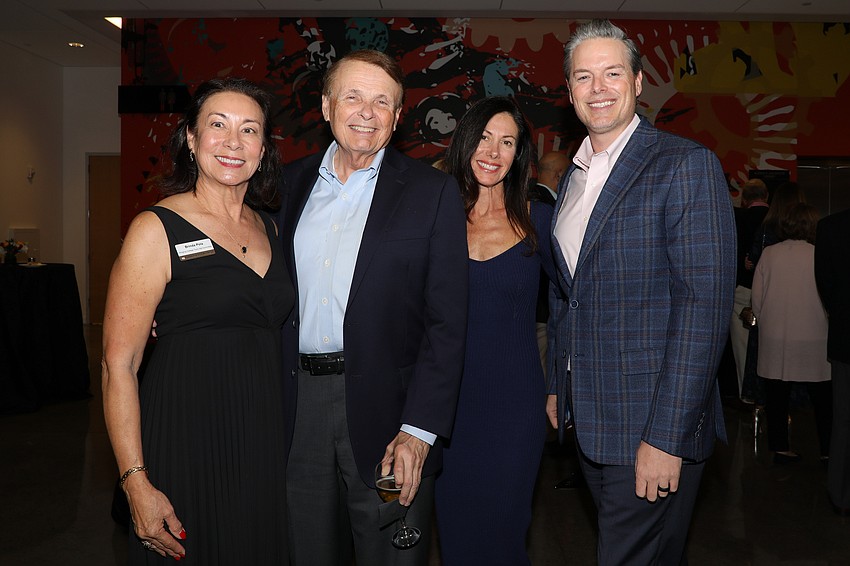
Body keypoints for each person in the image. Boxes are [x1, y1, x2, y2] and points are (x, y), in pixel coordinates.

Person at [546, 19, 736, 565]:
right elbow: (567, 294)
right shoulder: (573, 178)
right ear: (570, 91)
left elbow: (703, 308)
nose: (598, 88)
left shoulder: (684, 164)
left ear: (638, 81)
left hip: (652, 427)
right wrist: (562, 381)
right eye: (584, 77)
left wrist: (666, 437)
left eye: (612, 73)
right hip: (592, 422)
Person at [277, 49, 469, 566]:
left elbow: (447, 326)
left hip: (391, 418)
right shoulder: (283, 188)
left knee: (392, 556)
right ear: (325, 105)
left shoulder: (432, 193)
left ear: (398, 115)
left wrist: (418, 431)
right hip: (295, 412)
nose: (367, 110)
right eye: (353, 96)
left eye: (382, 101)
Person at [102, 77, 292, 564]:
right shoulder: (155, 229)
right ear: (190, 138)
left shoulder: (271, 225)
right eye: (218, 125)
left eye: (249, 130)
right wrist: (135, 481)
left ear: (263, 147)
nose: (234, 142)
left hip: (263, 443)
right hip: (186, 441)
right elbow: (117, 365)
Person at [434, 96, 556, 565]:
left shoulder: (538, 218)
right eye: (484, 137)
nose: (493, 151)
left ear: (519, 153)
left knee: (506, 529)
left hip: (515, 406)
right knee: (456, 531)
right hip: (447, 405)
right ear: (466, 141)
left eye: (507, 142)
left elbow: (570, 303)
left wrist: (559, 384)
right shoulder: (437, 217)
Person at [752, 203, 832, 464]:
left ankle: (780, 448)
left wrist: (767, 322)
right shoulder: (821, 253)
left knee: (777, 397)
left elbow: (757, 299)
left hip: (777, 337)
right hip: (815, 337)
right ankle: (827, 450)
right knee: (823, 400)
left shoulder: (769, 254)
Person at [815, 206, 850, 515]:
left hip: (845, 338)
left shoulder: (829, 227)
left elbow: (824, 284)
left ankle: (840, 493)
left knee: (843, 419)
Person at [730, 178, 769, 400]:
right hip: (775, 292)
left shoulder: (737, 219)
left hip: (743, 289)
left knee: (742, 346)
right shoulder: (778, 220)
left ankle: (748, 396)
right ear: (766, 197)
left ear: (744, 199)